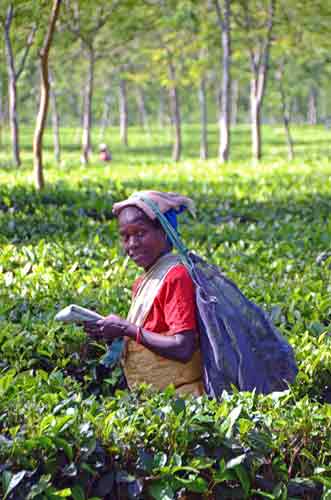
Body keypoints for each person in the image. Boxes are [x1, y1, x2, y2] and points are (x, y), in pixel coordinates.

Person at [84, 191, 204, 396]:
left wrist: (125, 327)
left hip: (181, 399)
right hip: (151, 397)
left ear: (165, 232)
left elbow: (183, 348)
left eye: (140, 233)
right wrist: (111, 332)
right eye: (125, 236)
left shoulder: (176, 276)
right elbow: (149, 335)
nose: (132, 244)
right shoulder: (143, 282)